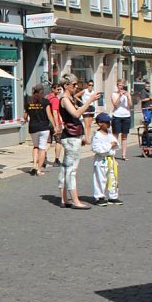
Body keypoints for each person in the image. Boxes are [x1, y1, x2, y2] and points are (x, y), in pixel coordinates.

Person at [58, 73, 100, 209]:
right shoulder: (65, 99)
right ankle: (75, 201)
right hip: (70, 136)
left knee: (66, 168)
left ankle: (64, 199)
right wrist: (90, 100)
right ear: (66, 85)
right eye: (74, 84)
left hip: (72, 135)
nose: (76, 87)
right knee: (71, 169)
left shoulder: (69, 98)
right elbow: (76, 114)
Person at [90, 113, 123, 206]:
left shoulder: (109, 133)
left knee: (113, 177)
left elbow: (116, 143)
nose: (109, 124)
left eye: (109, 122)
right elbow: (96, 149)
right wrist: (109, 145)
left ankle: (113, 196)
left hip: (110, 159)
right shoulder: (96, 135)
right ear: (100, 123)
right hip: (101, 160)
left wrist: (113, 145)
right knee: (100, 179)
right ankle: (99, 197)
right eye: (107, 122)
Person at [24, 84, 55, 176]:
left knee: (35, 147)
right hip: (44, 127)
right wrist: (55, 126)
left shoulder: (29, 101)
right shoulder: (45, 102)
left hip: (33, 127)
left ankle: (34, 165)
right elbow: (49, 115)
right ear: (42, 92)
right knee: (42, 148)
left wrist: (27, 120)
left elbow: (25, 116)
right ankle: (39, 169)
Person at [111, 79, 133, 160]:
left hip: (126, 116)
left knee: (124, 137)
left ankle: (124, 155)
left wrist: (128, 97)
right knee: (115, 135)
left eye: (122, 86)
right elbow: (115, 105)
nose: (121, 87)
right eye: (120, 85)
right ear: (117, 86)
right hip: (117, 116)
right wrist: (120, 96)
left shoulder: (126, 94)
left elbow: (130, 105)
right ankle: (112, 153)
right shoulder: (114, 94)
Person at [45, 84, 64, 167]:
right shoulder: (55, 100)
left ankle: (43, 156)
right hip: (55, 123)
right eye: (57, 89)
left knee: (48, 142)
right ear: (52, 89)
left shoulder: (46, 98)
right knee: (58, 142)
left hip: (46, 123)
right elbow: (55, 112)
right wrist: (56, 125)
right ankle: (56, 160)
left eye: (60, 89)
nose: (59, 91)